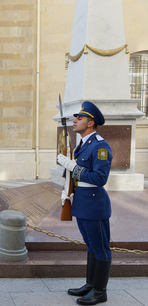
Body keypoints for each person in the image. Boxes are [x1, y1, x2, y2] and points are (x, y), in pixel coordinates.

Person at [57, 101, 112, 306]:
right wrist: (67, 190)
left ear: (91, 122)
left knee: (101, 248)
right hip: (81, 200)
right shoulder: (83, 144)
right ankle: (90, 284)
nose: (75, 120)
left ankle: (100, 291)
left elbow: (99, 178)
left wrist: (72, 166)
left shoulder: (100, 146)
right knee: (91, 246)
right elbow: (76, 175)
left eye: (79, 118)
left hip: (94, 204)